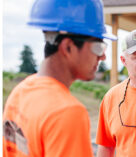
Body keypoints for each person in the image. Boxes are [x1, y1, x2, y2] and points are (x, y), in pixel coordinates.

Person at [2, 0, 116, 156]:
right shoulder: (67, 112)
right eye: (98, 46)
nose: (102, 56)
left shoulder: (20, 92)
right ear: (68, 47)